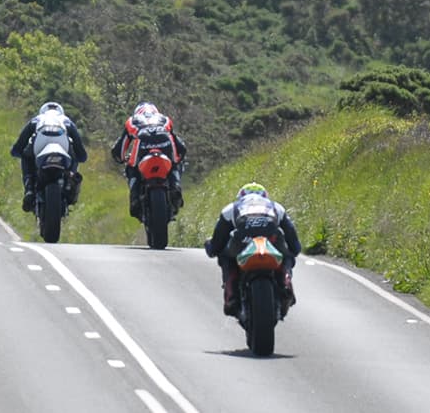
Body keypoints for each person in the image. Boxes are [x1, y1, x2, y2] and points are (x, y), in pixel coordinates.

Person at [203, 183, 302, 316]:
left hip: (242, 240)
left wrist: (211, 247)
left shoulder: (231, 208)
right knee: (287, 256)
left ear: (241, 197)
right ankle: (286, 283)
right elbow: (292, 236)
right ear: (265, 196)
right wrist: (293, 251)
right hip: (272, 238)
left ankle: (231, 294)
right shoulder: (276, 207)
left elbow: (217, 243)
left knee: (225, 257)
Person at [110, 102, 188, 217]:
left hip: (142, 147)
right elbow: (179, 145)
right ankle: (175, 187)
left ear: (138, 112)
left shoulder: (132, 121)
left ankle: (135, 198)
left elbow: (119, 149)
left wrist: (121, 159)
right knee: (175, 164)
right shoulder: (165, 119)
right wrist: (179, 157)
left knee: (132, 169)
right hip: (165, 146)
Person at [9, 101, 86, 212]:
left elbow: (18, 146)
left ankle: (29, 188)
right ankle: (70, 181)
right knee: (74, 156)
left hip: (40, 143)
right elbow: (81, 153)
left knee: (26, 157)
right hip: (62, 144)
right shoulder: (67, 121)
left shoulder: (37, 119)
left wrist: (17, 152)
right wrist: (78, 158)